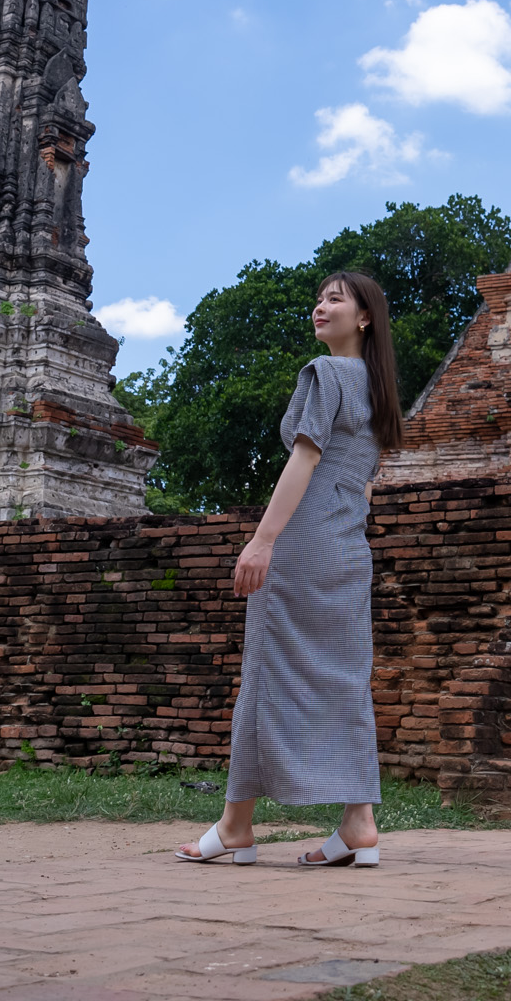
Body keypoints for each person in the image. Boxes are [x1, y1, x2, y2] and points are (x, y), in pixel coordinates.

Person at [174, 270, 403, 868]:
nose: (320, 308)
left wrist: (261, 541)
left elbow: (305, 459)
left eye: (335, 299)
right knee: (344, 680)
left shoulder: (324, 373)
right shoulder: (380, 390)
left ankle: (234, 826)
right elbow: (363, 486)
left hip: (301, 545)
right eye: (318, 300)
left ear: (364, 318)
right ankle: (358, 821)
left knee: (267, 675)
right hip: (349, 550)